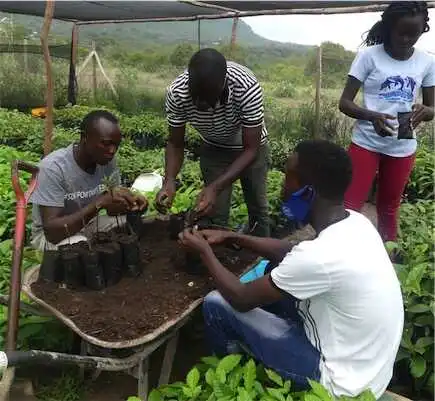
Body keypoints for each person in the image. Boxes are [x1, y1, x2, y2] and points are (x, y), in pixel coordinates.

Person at [178, 140, 404, 399]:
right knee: (274, 269)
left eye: (288, 179)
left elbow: (241, 298)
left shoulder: (320, 257)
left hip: (339, 382)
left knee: (217, 304)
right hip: (367, 366)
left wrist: (204, 252)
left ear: (308, 192)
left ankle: (231, 379)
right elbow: (290, 254)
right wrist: (232, 238)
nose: (283, 190)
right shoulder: (356, 223)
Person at [339, 1, 434, 242]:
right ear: (389, 27)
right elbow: (345, 103)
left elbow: (433, 108)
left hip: (402, 144)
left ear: (423, 29)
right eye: (401, 32)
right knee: (350, 206)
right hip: (366, 142)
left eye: (413, 34)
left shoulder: (427, 62)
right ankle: (343, 254)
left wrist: (426, 110)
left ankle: (387, 257)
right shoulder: (368, 57)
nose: (406, 39)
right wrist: (372, 115)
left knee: (389, 208)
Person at [156, 48, 270, 237]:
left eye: (207, 96)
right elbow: (175, 143)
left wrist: (215, 187)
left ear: (223, 84)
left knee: (258, 209)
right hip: (214, 147)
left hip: (249, 148)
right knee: (214, 211)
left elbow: (251, 149)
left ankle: (263, 260)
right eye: (195, 94)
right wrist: (169, 180)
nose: (200, 103)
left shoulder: (245, 86)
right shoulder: (177, 92)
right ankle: (217, 259)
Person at [30, 110, 148, 251]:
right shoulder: (53, 168)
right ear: (84, 137)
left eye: (116, 145)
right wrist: (99, 204)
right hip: (51, 236)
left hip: (89, 223)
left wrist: (131, 203)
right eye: (106, 143)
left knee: (130, 225)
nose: (112, 151)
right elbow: (53, 233)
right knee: (81, 245)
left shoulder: (107, 162)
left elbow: (112, 210)